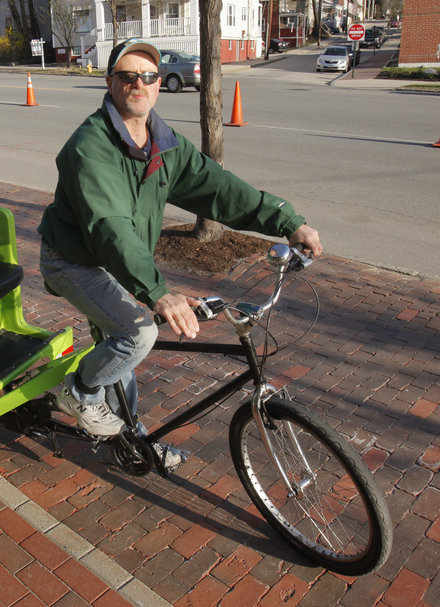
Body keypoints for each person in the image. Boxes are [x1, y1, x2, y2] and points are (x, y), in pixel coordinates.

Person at [37, 39, 322, 469]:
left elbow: (221, 190)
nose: (139, 84)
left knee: (122, 351)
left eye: (148, 76)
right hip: (73, 261)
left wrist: (289, 222)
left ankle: (129, 440)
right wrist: (158, 291)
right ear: (111, 83)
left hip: (115, 260)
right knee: (137, 334)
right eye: (128, 76)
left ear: (158, 85)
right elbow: (110, 227)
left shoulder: (164, 144)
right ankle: (78, 392)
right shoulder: (90, 147)